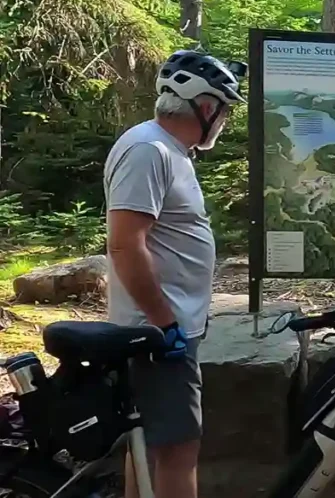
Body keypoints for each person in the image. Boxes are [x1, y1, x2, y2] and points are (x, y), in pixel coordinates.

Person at [103, 50, 246, 498]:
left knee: (149, 446)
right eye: (224, 109)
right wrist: (165, 324)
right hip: (156, 331)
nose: (224, 120)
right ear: (206, 107)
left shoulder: (169, 150)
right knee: (179, 449)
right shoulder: (149, 150)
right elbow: (126, 242)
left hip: (165, 326)